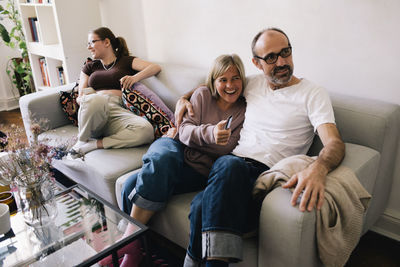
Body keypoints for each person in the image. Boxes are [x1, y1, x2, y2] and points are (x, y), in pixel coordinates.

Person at [176, 28, 345, 266]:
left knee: (202, 202)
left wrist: (319, 169)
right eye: (271, 57)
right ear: (256, 63)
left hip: (263, 176)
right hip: (229, 170)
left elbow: (334, 142)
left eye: (285, 52)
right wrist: (183, 99)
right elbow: (216, 85)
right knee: (213, 185)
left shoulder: (312, 93)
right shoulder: (252, 85)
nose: (282, 62)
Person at [99, 54, 247, 267]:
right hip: (176, 149)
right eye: (223, 79)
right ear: (213, 81)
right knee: (161, 156)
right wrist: (208, 133)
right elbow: (184, 131)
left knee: (132, 184)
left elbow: (225, 147)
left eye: (235, 78)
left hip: (198, 171)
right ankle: (132, 245)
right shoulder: (203, 95)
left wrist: (196, 135)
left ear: (242, 79)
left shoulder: (243, 110)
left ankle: (130, 245)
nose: (230, 85)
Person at [69, 27, 161, 157]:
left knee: (146, 130)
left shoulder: (126, 61)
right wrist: (85, 99)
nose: (89, 47)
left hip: (117, 110)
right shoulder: (89, 67)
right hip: (94, 111)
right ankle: (81, 141)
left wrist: (135, 77)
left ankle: (93, 145)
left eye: (92, 42)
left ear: (106, 42)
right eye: (88, 44)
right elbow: (81, 95)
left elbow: (155, 67)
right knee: (97, 100)